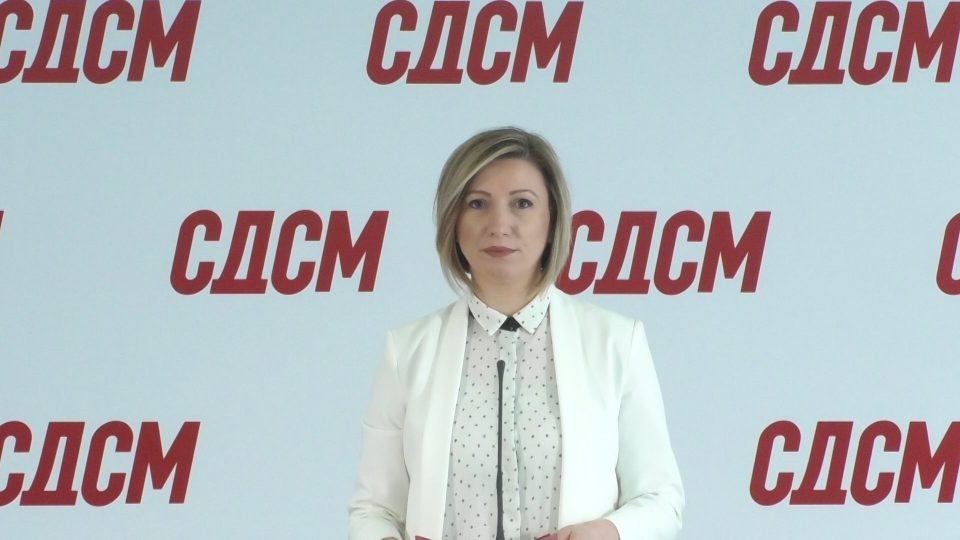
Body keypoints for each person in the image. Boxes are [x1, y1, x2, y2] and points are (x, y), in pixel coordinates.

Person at [348, 127, 684, 540]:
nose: (499, 224)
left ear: (553, 219)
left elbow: (661, 500)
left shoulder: (616, 342)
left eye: (522, 203)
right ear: (453, 221)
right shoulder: (407, 351)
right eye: (477, 204)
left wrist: (608, 532)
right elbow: (374, 509)